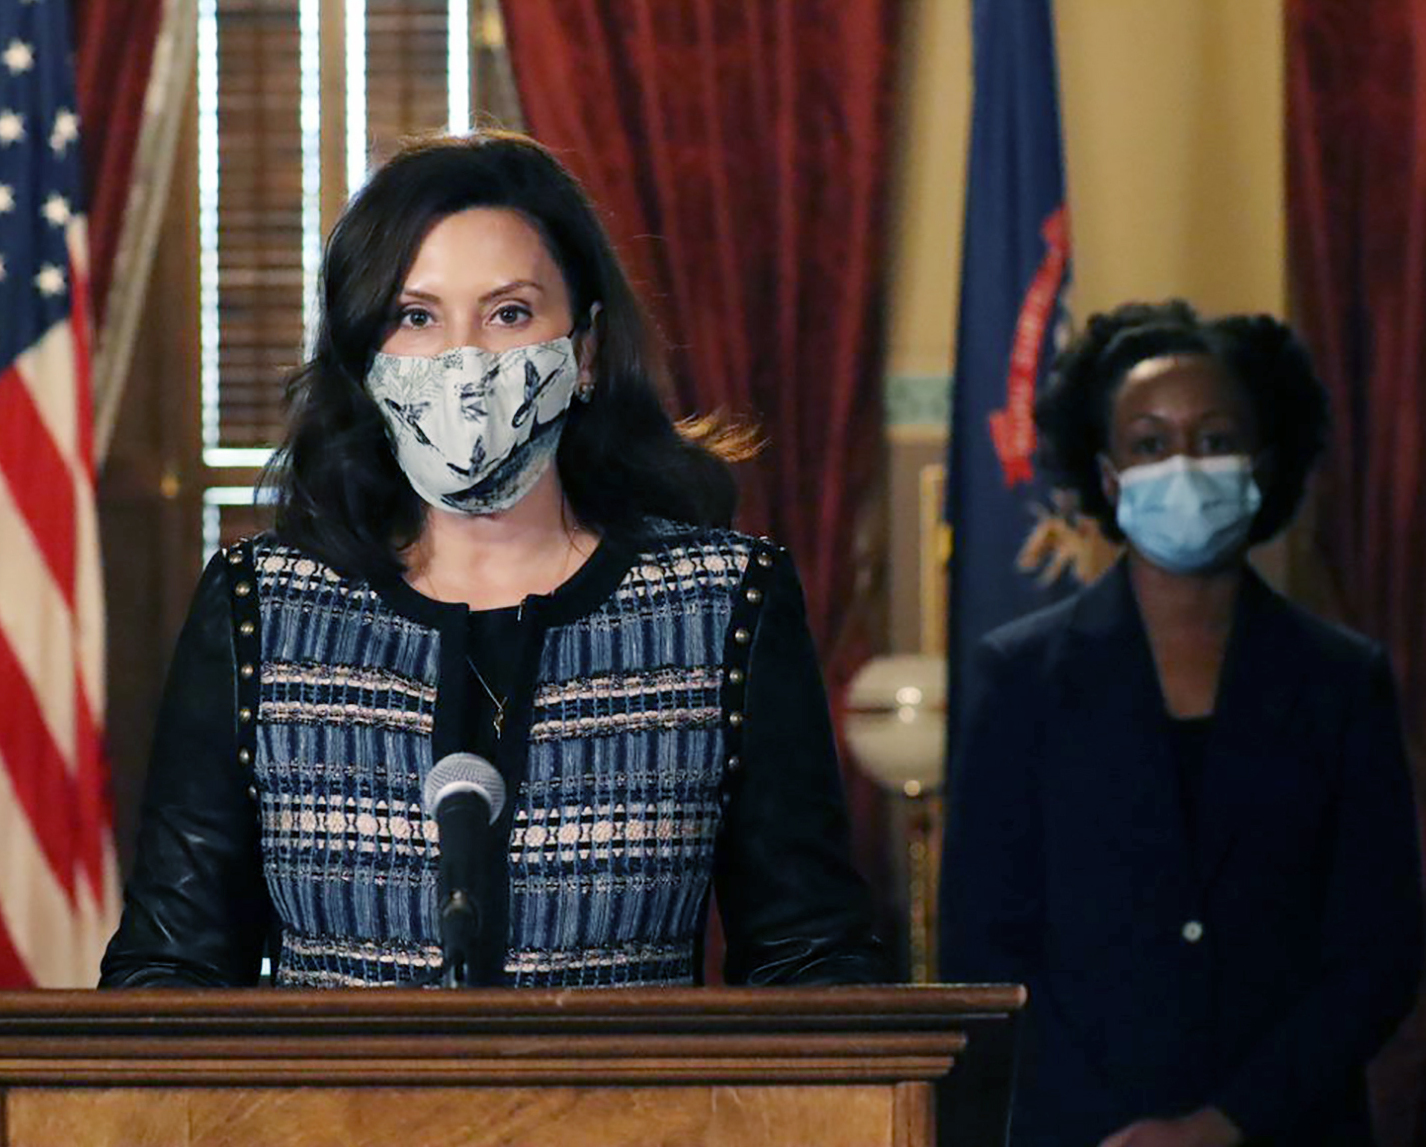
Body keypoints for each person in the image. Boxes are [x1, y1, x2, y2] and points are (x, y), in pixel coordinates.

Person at [100, 131, 884, 990]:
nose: (463, 364)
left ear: (583, 352)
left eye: (509, 313)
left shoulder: (723, 605)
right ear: (366, 361)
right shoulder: (264, 607)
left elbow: (813, 963)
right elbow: (169, 971)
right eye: (417, 316)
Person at [939, 301, 1424, 1147]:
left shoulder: (1343, 681)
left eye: (1213, 438)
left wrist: (1223, 1124)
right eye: (1151, 443)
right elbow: (985, 946)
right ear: (1111, 474)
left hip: (1290, 1130)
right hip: (1080, 1133)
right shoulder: (1019, 677)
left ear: (1261, 464)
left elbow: (1375, 956)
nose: (1185, 467)